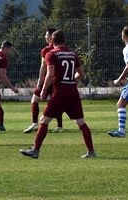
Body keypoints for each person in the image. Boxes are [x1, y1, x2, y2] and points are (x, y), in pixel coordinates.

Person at [21, 30, 96, 159]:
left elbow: (50, 74)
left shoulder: (51, 54)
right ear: (64, 40)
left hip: (60, 92)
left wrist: (44, 90)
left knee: (43, 121)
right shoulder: (73, 53)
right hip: (73, 92)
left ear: (52, 40)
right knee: (81, 122)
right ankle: (91, 151)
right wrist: (72, 80)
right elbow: (82, 74)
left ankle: (35, 150)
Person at [26, 27, 64, 134]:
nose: (45, 36)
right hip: (57, 80)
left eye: (47, 34)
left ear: (51, 36)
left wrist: (40, 80)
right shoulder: (62, 49)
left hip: (48, 79)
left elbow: (43, 66)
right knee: (56, 103)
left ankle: (34, 124)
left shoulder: (46, 50)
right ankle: (60, 126)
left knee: (34, 100)